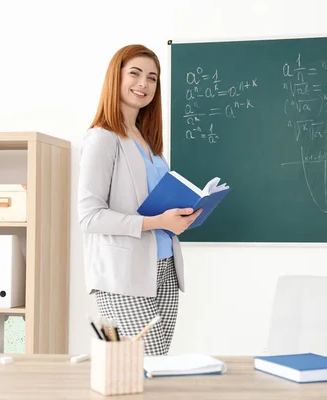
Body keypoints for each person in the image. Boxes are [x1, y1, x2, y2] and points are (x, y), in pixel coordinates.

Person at [78, 44, 202, 355]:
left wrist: (181, 217)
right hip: (123, 275)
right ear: (115, 78)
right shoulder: (102, 137)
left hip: (164, 269)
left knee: (156, 364)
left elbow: (154, 205)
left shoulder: (148, 142)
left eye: (152, 78)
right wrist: (158, 221)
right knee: (142, 364)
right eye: (134, 73)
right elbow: (90, 217)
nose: (143, 84)